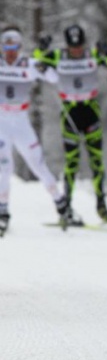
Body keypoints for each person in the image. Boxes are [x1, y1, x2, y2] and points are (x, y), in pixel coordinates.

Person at [33, 24, 107, 225]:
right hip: (70, 113)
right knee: (71, 164)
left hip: (90, 111)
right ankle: (67, 208)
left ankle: (102, 207)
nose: (76, 50)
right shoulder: (58, 56)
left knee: (96, 162)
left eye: (79, 46)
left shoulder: (92, 54)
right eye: (73, 47)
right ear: (67, 44)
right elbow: (35, 63)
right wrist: (41, 49)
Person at [0, 26, 69, 236]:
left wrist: (44, 63)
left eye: (14, 47)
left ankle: (60, 203)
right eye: (7, 47)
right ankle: (3, 212)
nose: (10, 52)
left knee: (37, 163)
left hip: (21, 122)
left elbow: (53, 78)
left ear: (20, 48)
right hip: (1, 121)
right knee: (3, 166)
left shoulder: (28, 64)